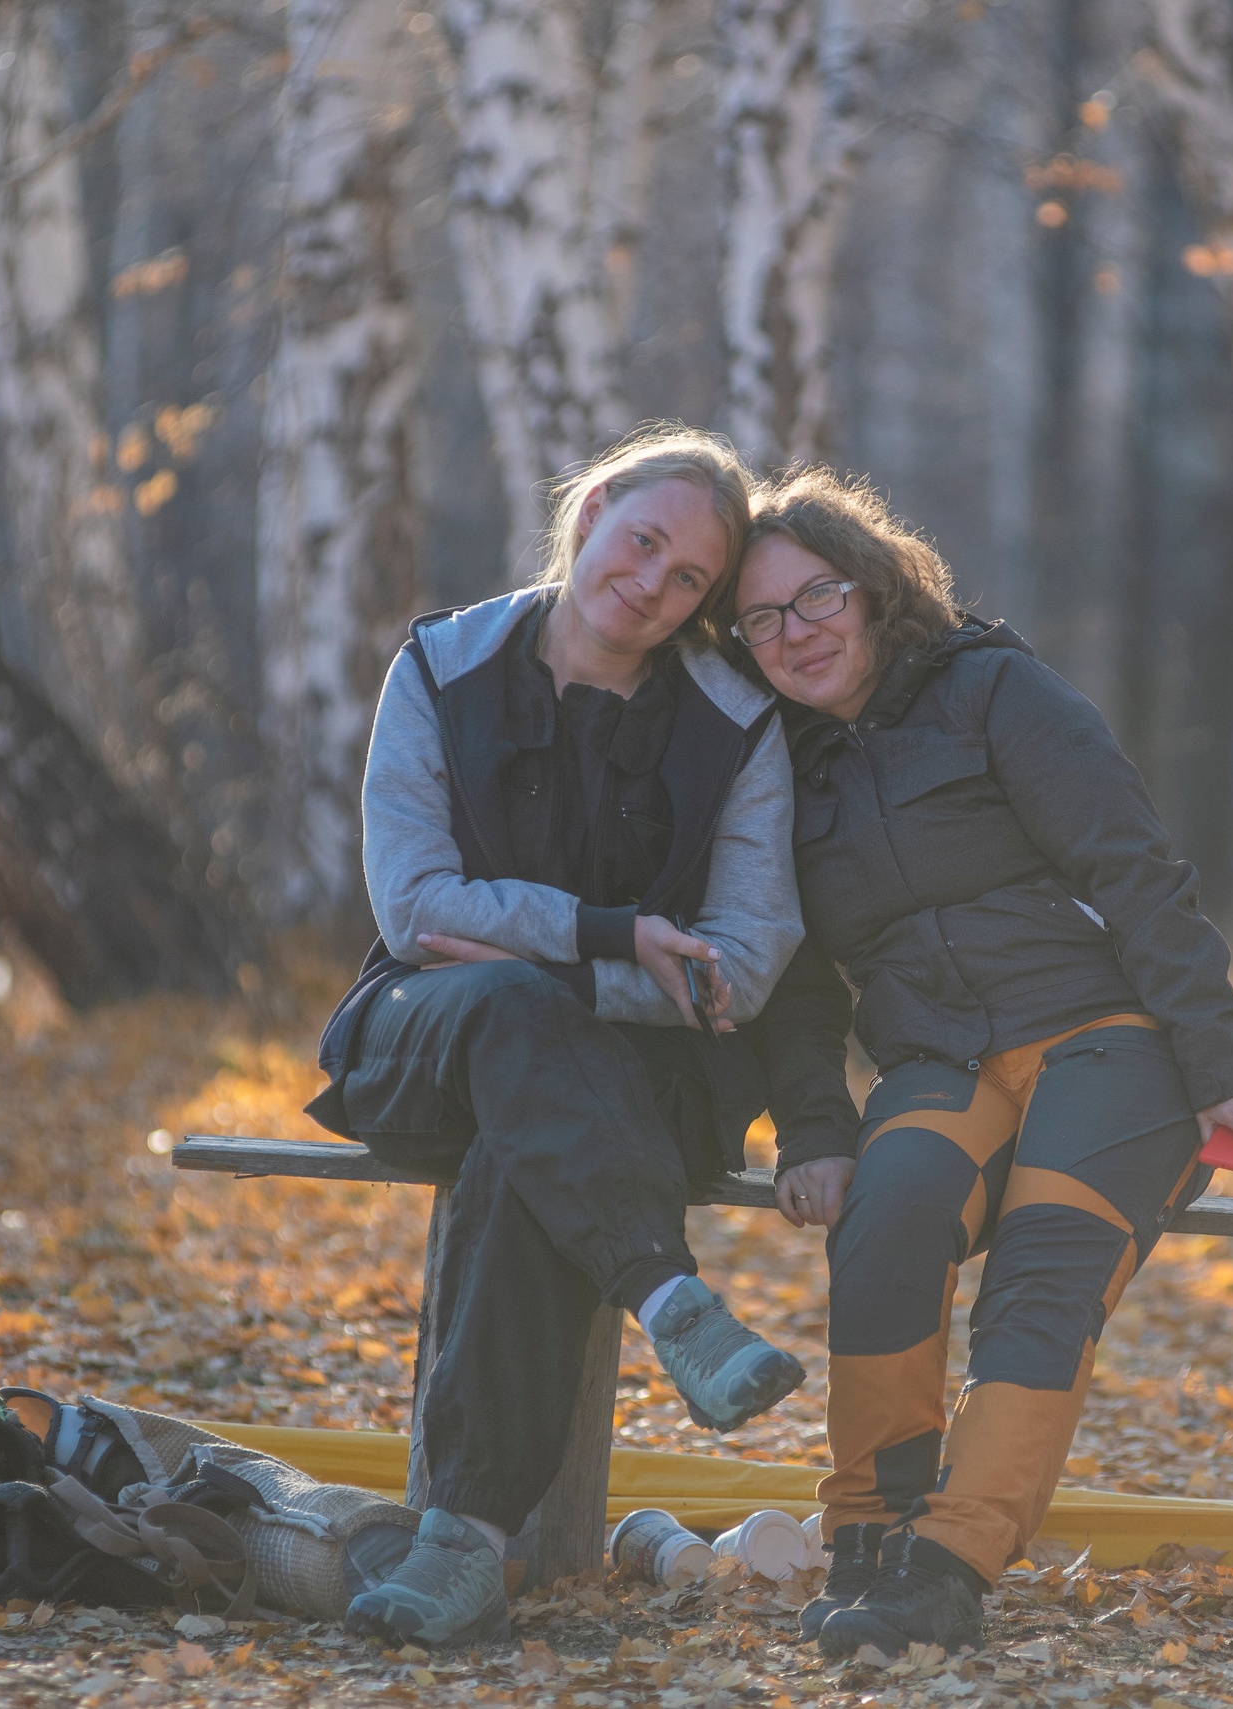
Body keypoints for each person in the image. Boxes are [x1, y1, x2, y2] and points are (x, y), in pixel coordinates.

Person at [726, 468, 1233, 1658]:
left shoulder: (994, 689)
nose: (796, 633)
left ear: (877, 587)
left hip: (1110, 1043)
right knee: (884, 1223)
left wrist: (1221, 1059)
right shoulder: (778, 762)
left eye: (817, 595)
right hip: (939, 1058)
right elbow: (793, 981)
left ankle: (947, 1566)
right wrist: (817, 1132)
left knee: (1042, 1271)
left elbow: (1134, 868)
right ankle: (870, 1541)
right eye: (763, 617)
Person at [306, 428, 854, 1648]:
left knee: (527, 1124)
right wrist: (611, 933)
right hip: (424, 1036)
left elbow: (749, 961)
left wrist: (558, 978)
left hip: (635, 1071)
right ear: (594, 507)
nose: (651, 586)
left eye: (688, 581)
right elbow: (413, 906)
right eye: (643, 541)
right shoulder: (441, 666)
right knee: (511, 1023)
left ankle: (460, 1544)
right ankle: (670, 1299)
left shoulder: (735, 721)